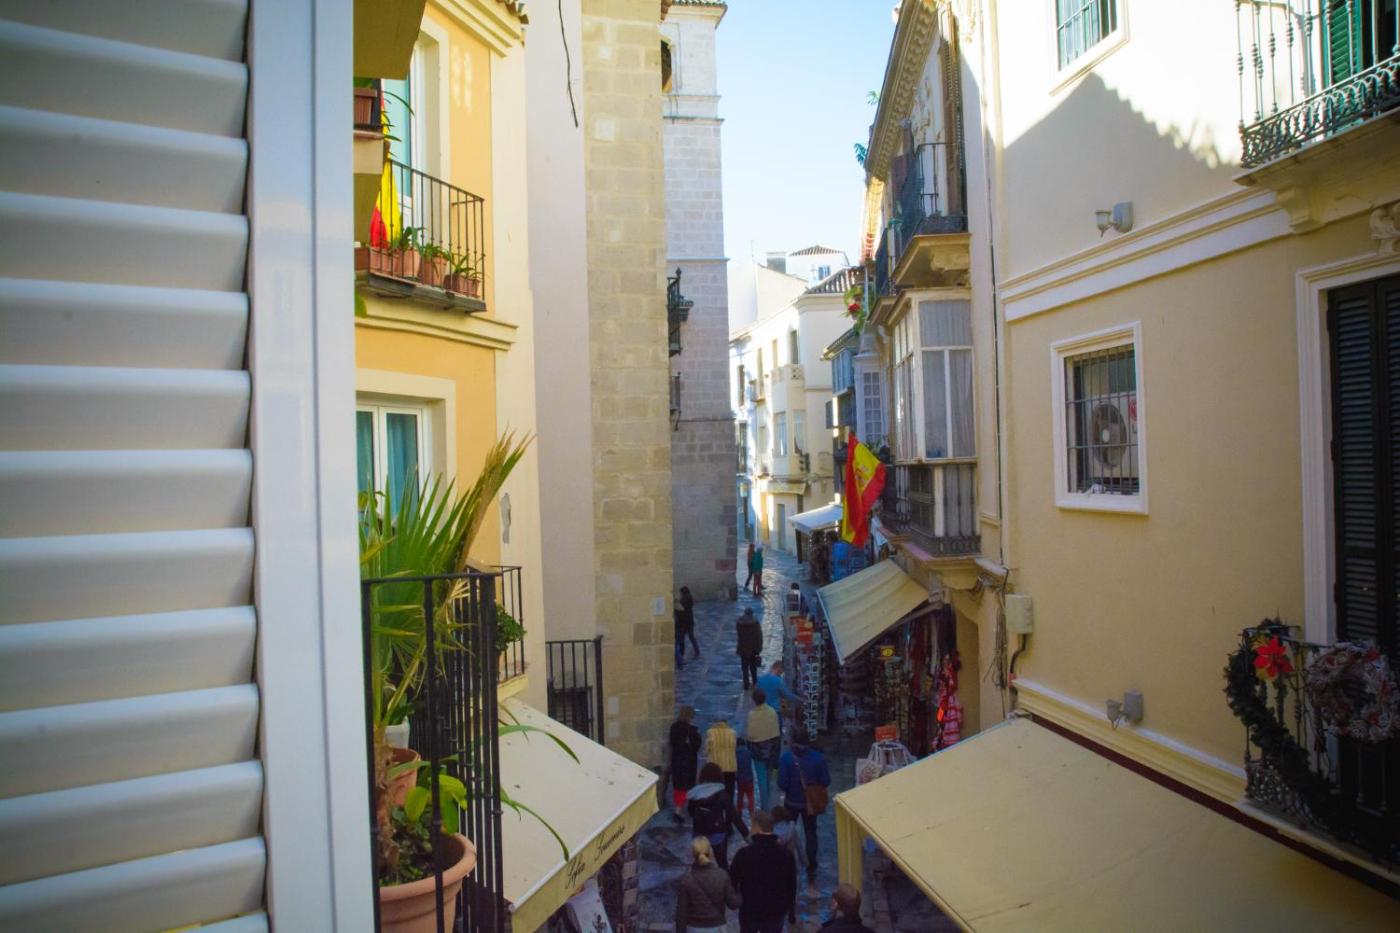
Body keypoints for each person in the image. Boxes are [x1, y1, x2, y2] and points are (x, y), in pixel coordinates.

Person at [777, 728, 831, 898]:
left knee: (787, 833)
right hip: (810, 804)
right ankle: (811, 866)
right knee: (810, 833)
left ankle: (786, 862)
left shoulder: (786, 758)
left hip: (791, 802)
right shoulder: (818, 758)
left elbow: (782, 783)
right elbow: (826, 781)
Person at [728, 809, 797, 933]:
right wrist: (787, 907)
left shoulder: (744, 854)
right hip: (776, 911)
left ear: (757, 827)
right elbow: (792, 885)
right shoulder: (786, 855)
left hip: (750, 909)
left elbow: (732, 881)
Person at [688, 762, 749, 870]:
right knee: (722, 864)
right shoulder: (722, 793)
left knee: (699, 862)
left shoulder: (694, 793)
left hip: (699, 833)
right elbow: (733, 815)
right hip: (717, 833)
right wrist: (746, 834)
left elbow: (690, 812)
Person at [675, 836, 741, 933]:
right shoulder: (722, 875)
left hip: (694, 928)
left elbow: (681, 914)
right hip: (717, 927)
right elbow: (733, 904)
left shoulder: (686, 880)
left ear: (693, 855)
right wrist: (741, 892)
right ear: (711, 852)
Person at [745, 688, 781, 811]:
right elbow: (776, 731)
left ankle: (765, 807)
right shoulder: (772, 712)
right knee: (769, 777)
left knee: (761, 779)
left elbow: (750, 734)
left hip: (758, 751)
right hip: (772, 749)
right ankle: (769, 803)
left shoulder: (752, 714)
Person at [669, 706, 702, 821]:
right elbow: (696, 746)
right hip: (688, 762)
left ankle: (679, 809)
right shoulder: (691, 730)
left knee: (678, 787)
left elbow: (672, 743)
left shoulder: (674, 727)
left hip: (676, 761)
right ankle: (680, 811)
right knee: (686, 787)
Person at [704, 717, 739, 802]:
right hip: (730, 766)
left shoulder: (710, 732)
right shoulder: (732, 732)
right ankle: (728, 808)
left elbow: (706, 750)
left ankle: (716, 808)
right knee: (729, 792)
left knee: (715, 793)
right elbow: (734, 748)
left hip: (715, 768)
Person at [770, 805, 804, 873]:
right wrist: (804, 861)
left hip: (776, 861)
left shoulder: (771, 828)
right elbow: (799, 845)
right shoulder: (791, 827)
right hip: (790, 859)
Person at [736, 606, 763, 690]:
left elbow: (739, 636)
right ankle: (754, 682)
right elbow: (759, 636)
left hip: (743, 648)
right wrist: (759, 648)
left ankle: (746, 684)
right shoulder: (755, 623)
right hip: (753, 648)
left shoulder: (739, 623)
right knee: (753, 667)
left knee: (744, 667)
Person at [675, 585, 700, 667]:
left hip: (683, 623)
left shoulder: (683, 601)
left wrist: (676, 611)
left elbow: (681, 611)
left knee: (681, 640)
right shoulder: (689, 599)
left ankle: (681, 656)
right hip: (690, 622)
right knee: (691, 637)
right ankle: (697, 651)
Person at [734, 737, 756, 818]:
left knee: (740, 795)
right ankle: (752, 812)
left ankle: (739, 812)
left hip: (740, 779)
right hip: (749, 778)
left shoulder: (735, 754)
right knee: (750, 796)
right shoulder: (748, 753)